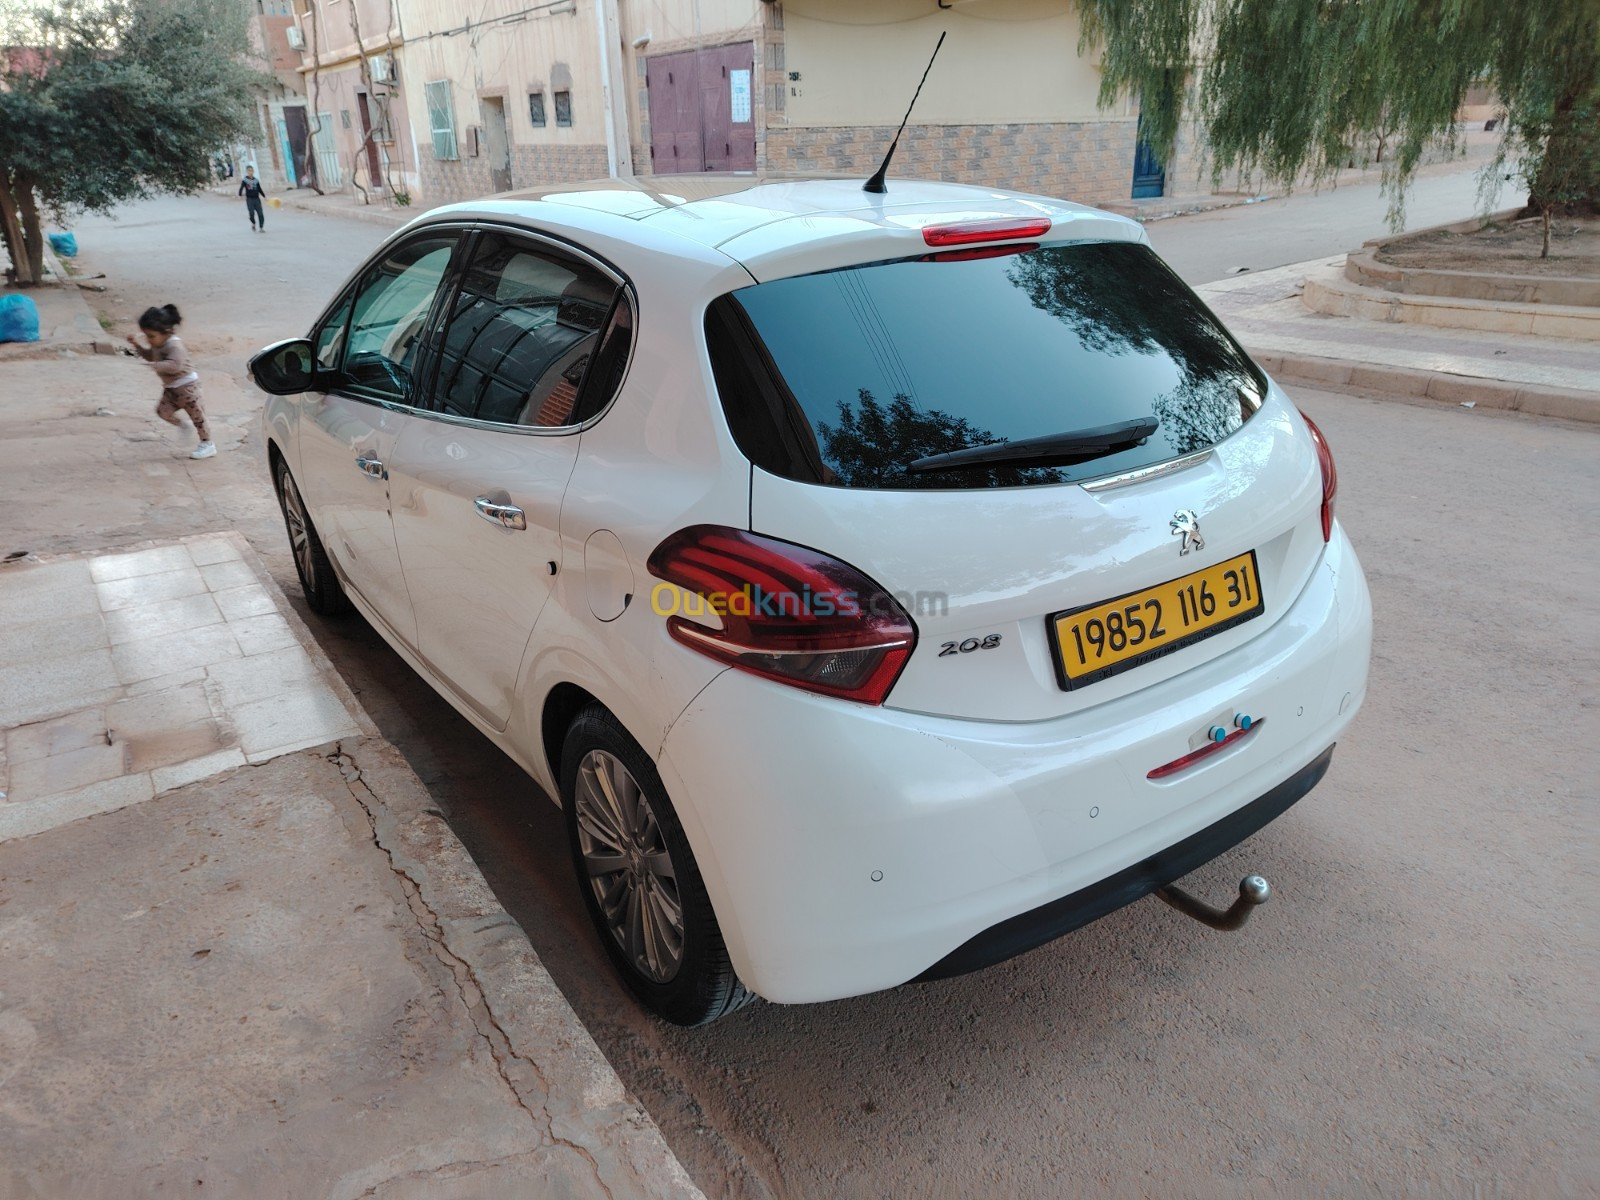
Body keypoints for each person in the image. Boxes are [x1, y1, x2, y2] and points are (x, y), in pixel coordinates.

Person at [127, 305, 215, 460]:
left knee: (198, 418)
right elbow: (150, 356)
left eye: (151, 336)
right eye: (146, 336)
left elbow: (176, 365)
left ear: (166, 332)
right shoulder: (157, 344)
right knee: (162, 412)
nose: (149, 340)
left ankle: (207, 444)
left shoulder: (174, 345)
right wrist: (137, 346)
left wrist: (157, 366)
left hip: (188, 388)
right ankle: (183, 425)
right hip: (171, 388)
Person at [238, 166, 266, 231]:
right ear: (247, 172)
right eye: (249, 171)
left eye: (251, 171)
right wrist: (239, 195)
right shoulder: (245, 180)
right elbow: (241, 187)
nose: (250, 172)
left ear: (253, 171)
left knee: (260, 213)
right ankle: (253, 223)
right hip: (249, 199)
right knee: (251, 213)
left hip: (256, 199)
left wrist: (264, 196)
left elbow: (259, 189)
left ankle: (261, 227)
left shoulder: (256, 180)